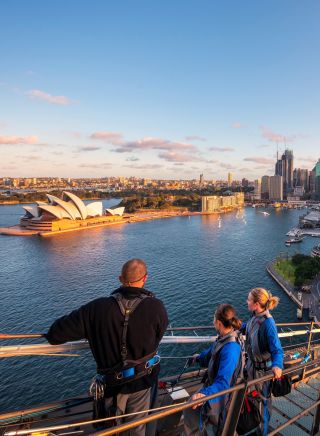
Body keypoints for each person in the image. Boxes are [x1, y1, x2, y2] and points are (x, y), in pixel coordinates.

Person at [46, 258, 168, 436]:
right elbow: (159, 335)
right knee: (138, 428)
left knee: (111, 429)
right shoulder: (156, 307)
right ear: (145, 278)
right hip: (143, 381)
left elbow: (55, 335)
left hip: (111, 385)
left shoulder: (95, 309)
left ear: (120, 279)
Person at [184, 304, 244, 435]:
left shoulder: (231, 349)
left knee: (192, 412)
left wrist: (205, 394)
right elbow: (211, 353)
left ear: (218, 323)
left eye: (213, 319)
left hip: (222, 395)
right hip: (215, 389)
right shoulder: (224, 338)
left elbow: (224, 382)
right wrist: (198, 358)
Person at [242, 287, 284, 436]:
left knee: (264, 405)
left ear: (257, 303)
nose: (246, 301)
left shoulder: (268, 324)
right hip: (252, 369)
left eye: (249, 299)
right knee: (254, 402)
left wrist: (277, 366)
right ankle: (253, 428)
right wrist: (235, 326)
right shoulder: (255, 316)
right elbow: (248, 327)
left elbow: (277, 350)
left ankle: (263, 433)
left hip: (262, 374)